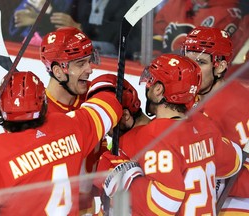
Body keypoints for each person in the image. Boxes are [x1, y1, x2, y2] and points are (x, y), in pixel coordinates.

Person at [95, 53, 243, 215]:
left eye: (150, 82)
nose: (147, 87)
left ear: (158, 90)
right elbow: (234, 161)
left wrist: (125, 178)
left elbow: (164, 203)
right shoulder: (204, 124)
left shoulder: (154, 135)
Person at [0, 71, 123, 215]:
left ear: (1, 109)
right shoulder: (69, 127)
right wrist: (105, 85)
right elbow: (108, 107)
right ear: (44, 104)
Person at [182, 26, 249, 214]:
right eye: (188, 60)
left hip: (237, 201)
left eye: (201, 62)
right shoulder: (188, 95)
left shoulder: (234, 105)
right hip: (208, 194)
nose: (191, 69)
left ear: (220, 66)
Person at [40, 26, 105, 214]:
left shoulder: (95, 95)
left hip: (92, 208)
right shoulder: (36, 116)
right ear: (58, 71)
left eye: (89, 61)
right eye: (80, 64)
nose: (90, 70)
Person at [10, 0, 141, 59]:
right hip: (77, 56)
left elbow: (120, 37)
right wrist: (40, 18)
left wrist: (80, 28)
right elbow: (63, 22)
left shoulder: (129, 3)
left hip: (111, 60)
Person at [152, 0, 243, 60]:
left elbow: (205, 56)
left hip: (199, 82)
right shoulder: (176, 4)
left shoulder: (228, 14)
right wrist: (153, 55)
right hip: (165, 73)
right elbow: (157, 34)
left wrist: (166, 60)